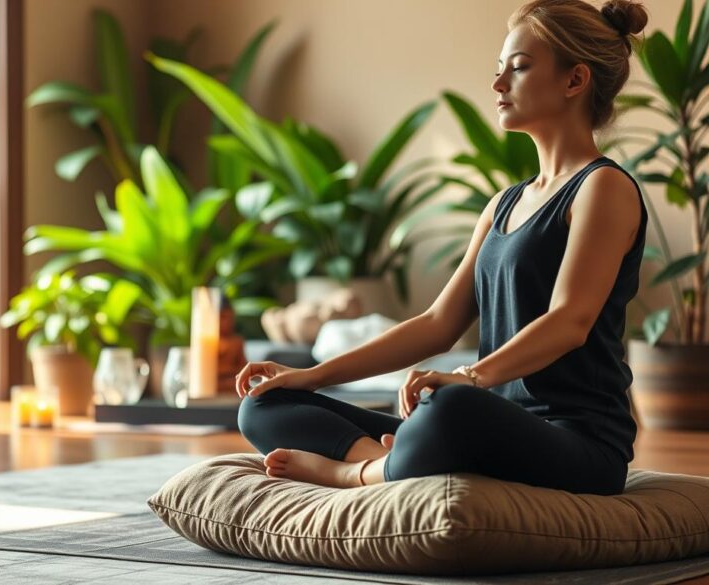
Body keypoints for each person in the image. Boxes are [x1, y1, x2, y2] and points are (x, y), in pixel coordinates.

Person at [235, 0, 649, 496]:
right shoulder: (503, 205)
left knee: (450, 408)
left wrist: (469, 378)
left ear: (574, 80)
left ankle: (354, 474)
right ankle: (392, 459)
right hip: (489, 423)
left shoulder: (602, 189)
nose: (498, 85)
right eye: (499, 70)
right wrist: (310, 376)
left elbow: (570, 321)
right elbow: (437, 323)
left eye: (518, 68)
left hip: (577, 443)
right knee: (264, 404)